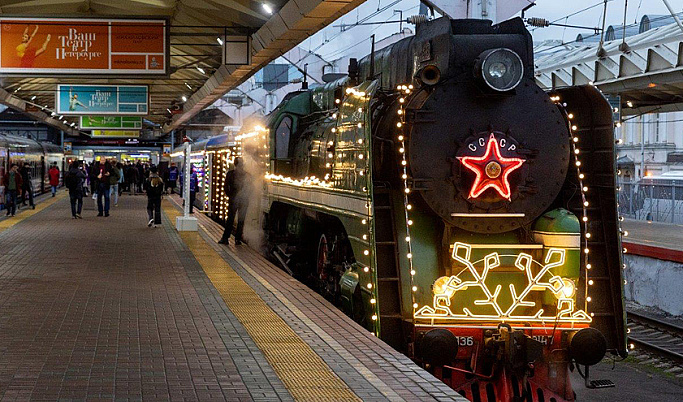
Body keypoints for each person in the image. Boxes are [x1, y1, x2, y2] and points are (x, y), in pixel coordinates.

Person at [219, 158, 249, 245]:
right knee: (241, 220)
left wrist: (231, 196)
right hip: (244, 200)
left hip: (233, 199)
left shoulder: (230, 174)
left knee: (230, 219)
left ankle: (225, 238)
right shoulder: (247, 175)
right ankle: (238, 239)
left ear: (235, 164)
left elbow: (225, 187)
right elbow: (251, 188)